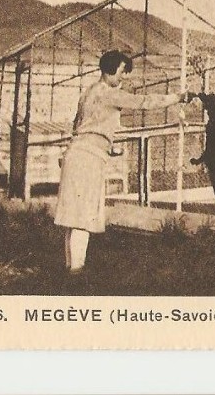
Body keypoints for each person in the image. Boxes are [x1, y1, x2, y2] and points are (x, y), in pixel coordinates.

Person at [55, 49, 194, 274]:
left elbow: (80, 126)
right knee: (82, 216)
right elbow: (144, 102)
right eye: (122, 72)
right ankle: (76, 271)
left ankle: (70, 267)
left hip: (78, 153)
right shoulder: (108, 93)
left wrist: (106, 147)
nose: (124, 77)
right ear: (110, 70)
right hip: (87, 157)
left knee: (73, 216)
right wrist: (177, 98)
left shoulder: (88, 92)